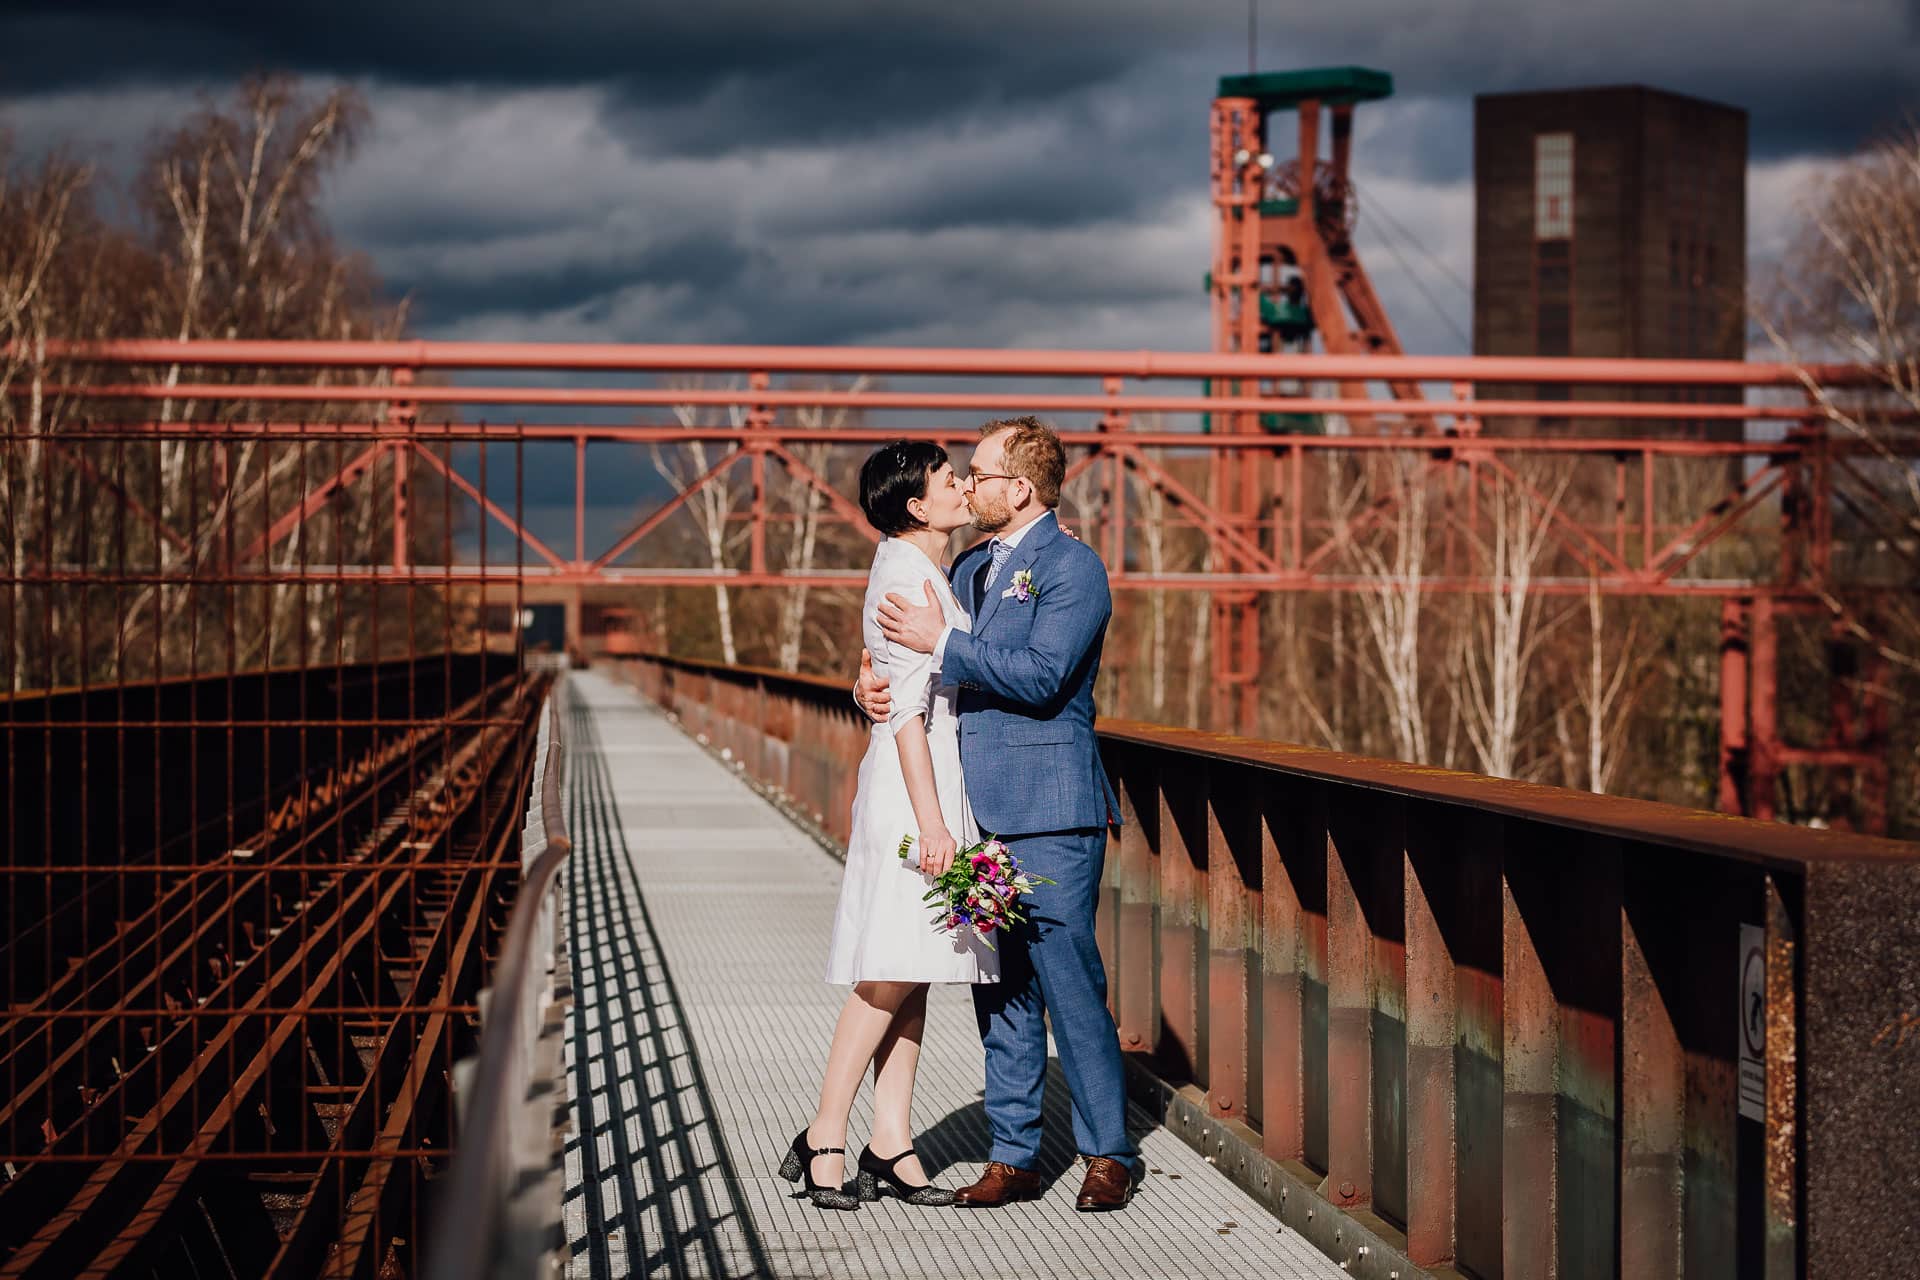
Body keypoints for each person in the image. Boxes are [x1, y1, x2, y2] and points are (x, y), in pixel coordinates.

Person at [855, 416, 1140, 1212]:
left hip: (1051, 810)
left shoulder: (1075, 568)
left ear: (1019, 487)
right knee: (1001, 988)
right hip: (977, 812)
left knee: (1069, 984)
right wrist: (867, 684)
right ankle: (1013, 1155)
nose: (968, 483)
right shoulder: (973, 565)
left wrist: (943, 645)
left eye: (978, 472)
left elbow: (1045, 674)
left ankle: (1107, 1152)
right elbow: (906, 656)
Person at [781, 440, 995, 1211]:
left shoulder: (923, 566)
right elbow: (905, 710)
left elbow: (893, 681)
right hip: (917, 793)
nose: (963, 486)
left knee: (913, 970)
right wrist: (935, 823)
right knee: (885, 975)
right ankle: (826, 1137)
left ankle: (892, 1141)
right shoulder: (906, 575)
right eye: (949, 479)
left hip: (930, 785)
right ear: (916, 505)